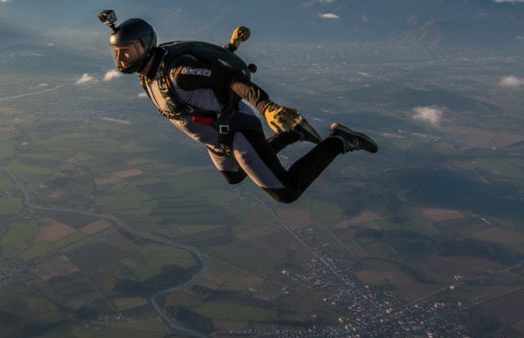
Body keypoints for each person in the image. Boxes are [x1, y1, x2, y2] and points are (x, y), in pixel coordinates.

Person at [100, 10, 377, 204]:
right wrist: (229, 47)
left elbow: (230, 80)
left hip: (236, 131)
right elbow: (209, 73)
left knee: (287, 192)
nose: (121, 58)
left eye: (126, 50)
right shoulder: (150, 72)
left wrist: (266, 106)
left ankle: (340, 140)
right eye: (118, 51)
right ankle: (293, 134)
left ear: (144, 45)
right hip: (217, 140)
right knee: (233, 176)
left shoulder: (177, 73)